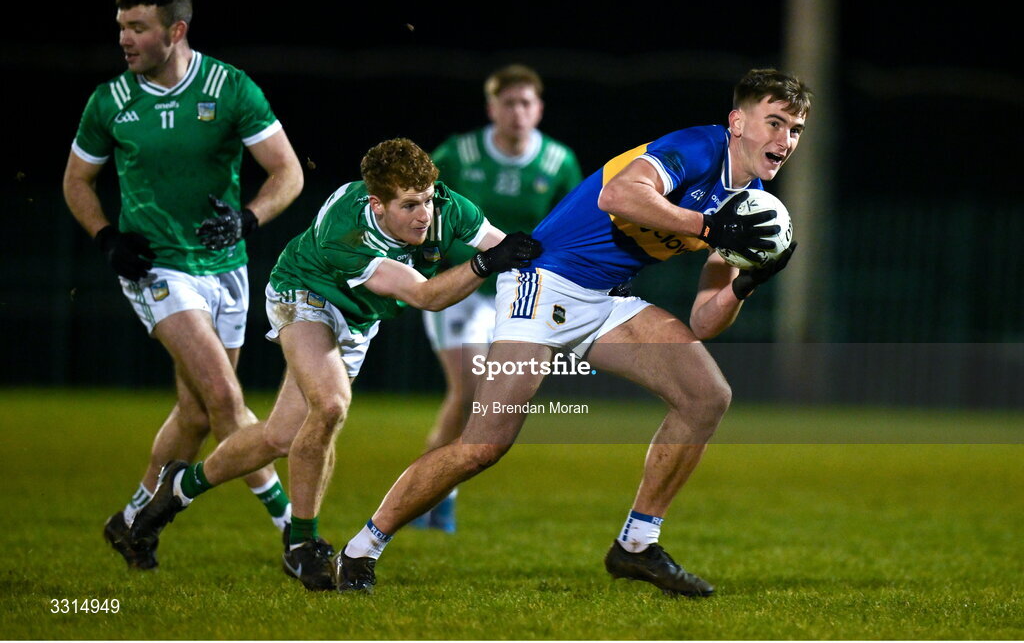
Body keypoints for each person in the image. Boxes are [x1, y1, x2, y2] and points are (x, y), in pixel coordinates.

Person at [334, 68, 811, 597]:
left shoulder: (751, 202)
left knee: (706, 397)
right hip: (544, 283)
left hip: (604, 298)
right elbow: (619, 196)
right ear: (737, 122)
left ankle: (636, 544)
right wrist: (707, 228)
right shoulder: (699, 147)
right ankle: (361, 548)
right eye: (774, 122)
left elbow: (704, 320)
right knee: (483, 446)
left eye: (795, 129)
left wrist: (746, 283)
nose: (785, 139)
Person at [128, 137, 543, 591]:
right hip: (305, 294)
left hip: (359, 318)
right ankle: (302, 544)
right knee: (329, 405)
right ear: (377, 205)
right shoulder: (346, 232)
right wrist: (486, 264)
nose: (424, 215)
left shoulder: (447, 206)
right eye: (409, 205)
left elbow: (512, 250)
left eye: (426, 200)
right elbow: (425, 295)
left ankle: (179, 487)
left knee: (280, 436)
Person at [62, 0, 304, 570]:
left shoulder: (229, 88)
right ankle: (296, 532)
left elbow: (288, 173)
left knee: (197, 412)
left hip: (226, 267)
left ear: (176, 31)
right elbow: (77, 180)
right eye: (121, 26)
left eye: (137, 27)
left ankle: (131, 522)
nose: (124, 38)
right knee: (225, 397)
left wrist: (248, 219)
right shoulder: (110, 101)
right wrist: (106, 237)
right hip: (157, 268)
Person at [414, 64, 582, 532]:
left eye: (526, 103)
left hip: (519, 295)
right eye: (508, 103)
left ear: (539, 108)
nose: (517, 112)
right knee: (468, 391)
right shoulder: (459, 153)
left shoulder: (558, 161)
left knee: (491, 403)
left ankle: (434, 492)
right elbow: (419, 201)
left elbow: (572, 224)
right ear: (492, 108)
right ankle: (431, 496)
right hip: (462, 288)